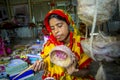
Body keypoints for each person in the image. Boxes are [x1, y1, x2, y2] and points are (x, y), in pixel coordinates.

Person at [32, 9, 94, 80]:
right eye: (52, 28)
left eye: (59, 26)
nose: (56, 31)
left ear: (68, 24)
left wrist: (74, 72)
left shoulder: (81, 44)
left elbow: (89, 71)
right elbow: (46, 62)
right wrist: (41, 65)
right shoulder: (49, 45)